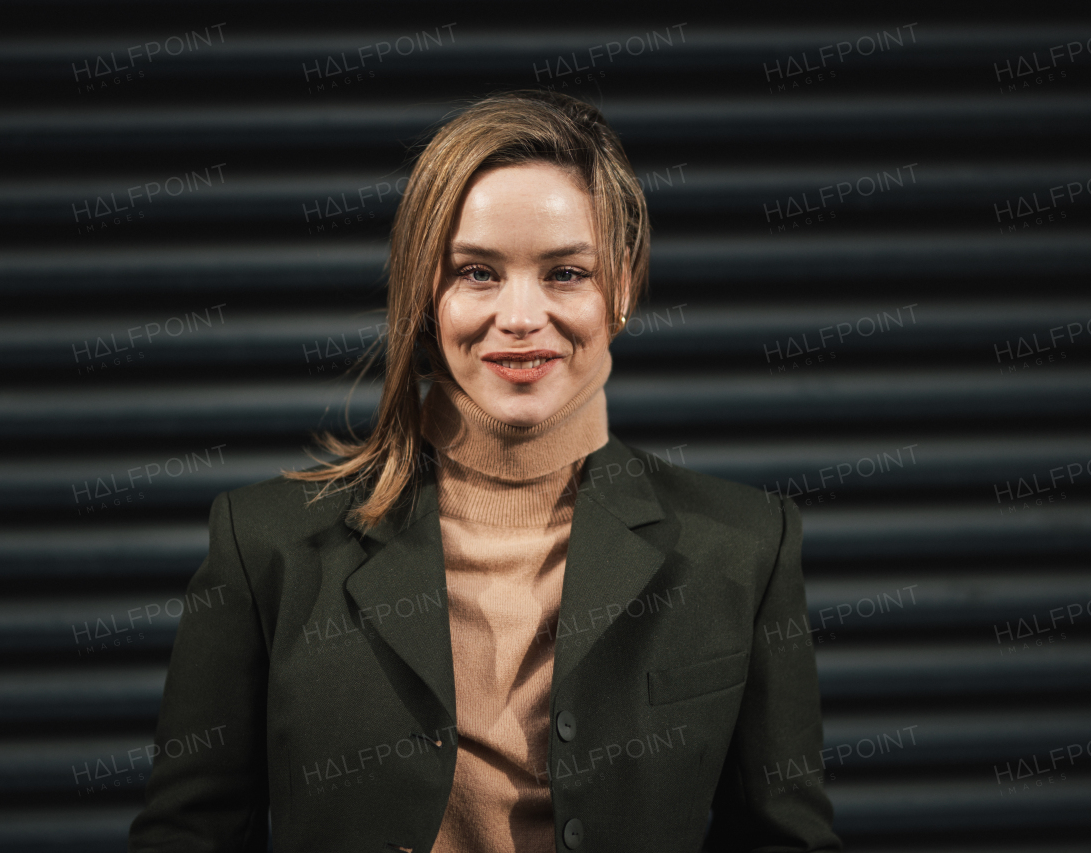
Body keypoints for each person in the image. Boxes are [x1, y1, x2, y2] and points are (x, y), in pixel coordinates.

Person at [128, 90, 840, 853]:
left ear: (623, 286)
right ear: (424, 292)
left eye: (566, 272)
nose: (522, 315)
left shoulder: (742, 546)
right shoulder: (265, 545)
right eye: (477, 272)